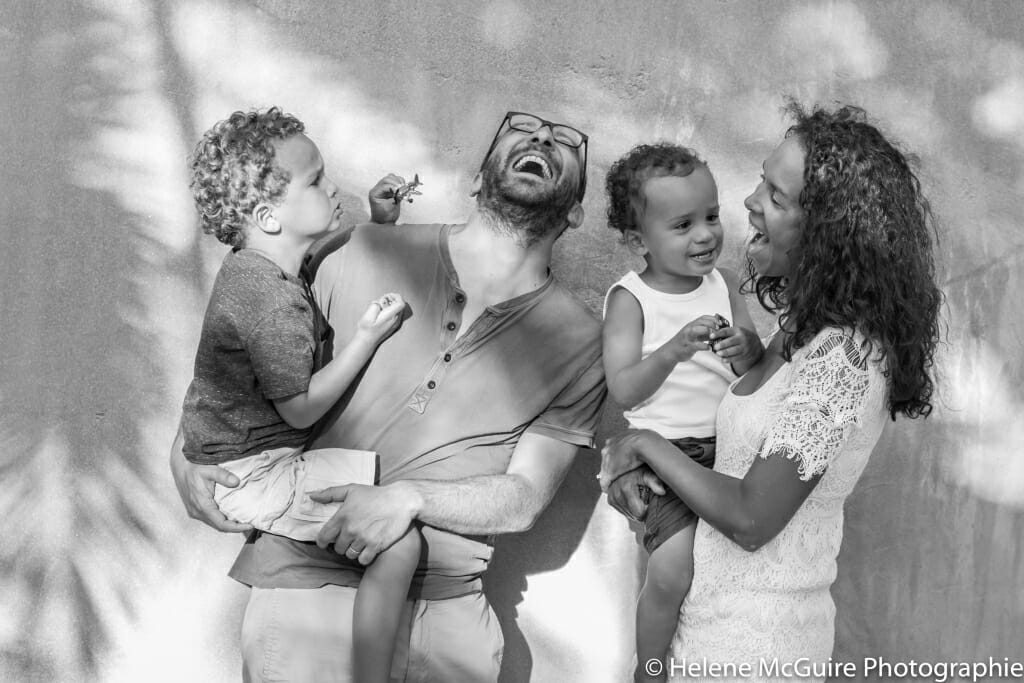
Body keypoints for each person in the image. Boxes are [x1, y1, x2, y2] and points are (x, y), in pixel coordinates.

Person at [169, 110, 606, 682]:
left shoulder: (584, 342)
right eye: (520, 131)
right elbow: (239, 358)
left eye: (565, 141)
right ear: (476, 182)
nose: (543, 137)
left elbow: (525, 497)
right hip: (306, 594)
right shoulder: (356, 250)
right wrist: (183, 453)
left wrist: (408, 499)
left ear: (575, 210)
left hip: (449, 624)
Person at [602, 103, 943, 681]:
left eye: (777, 198)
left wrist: (644, 446)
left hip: (756, 654)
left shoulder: (844, 360)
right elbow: (727, 464)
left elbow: (753, 519)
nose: (748, 203)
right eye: (762, 181)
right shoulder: (798, 332)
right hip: (704, 633)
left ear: (832, 234)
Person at [176, 107, 421, 683]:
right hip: (257, 475)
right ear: (266, 215)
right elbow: (303, 405)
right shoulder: (273, 302)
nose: (334, 187)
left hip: (239, 461)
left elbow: (314, 258)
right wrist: (367, 337)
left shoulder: (256, 268)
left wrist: (379, 223)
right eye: (315, 180)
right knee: (398, 540)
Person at [600, 143, 763, 682]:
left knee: (728, 570)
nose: (705, 235)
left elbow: (754, 364)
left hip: (730, 447)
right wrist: (672, 350)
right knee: (671, 572)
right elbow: (623, 390)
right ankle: (648, 670)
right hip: (668, 453)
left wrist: (746, 349)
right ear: (635, 240)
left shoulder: (724, 282)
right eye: (683, 224)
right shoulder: (632, 299)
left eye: (712, 216)